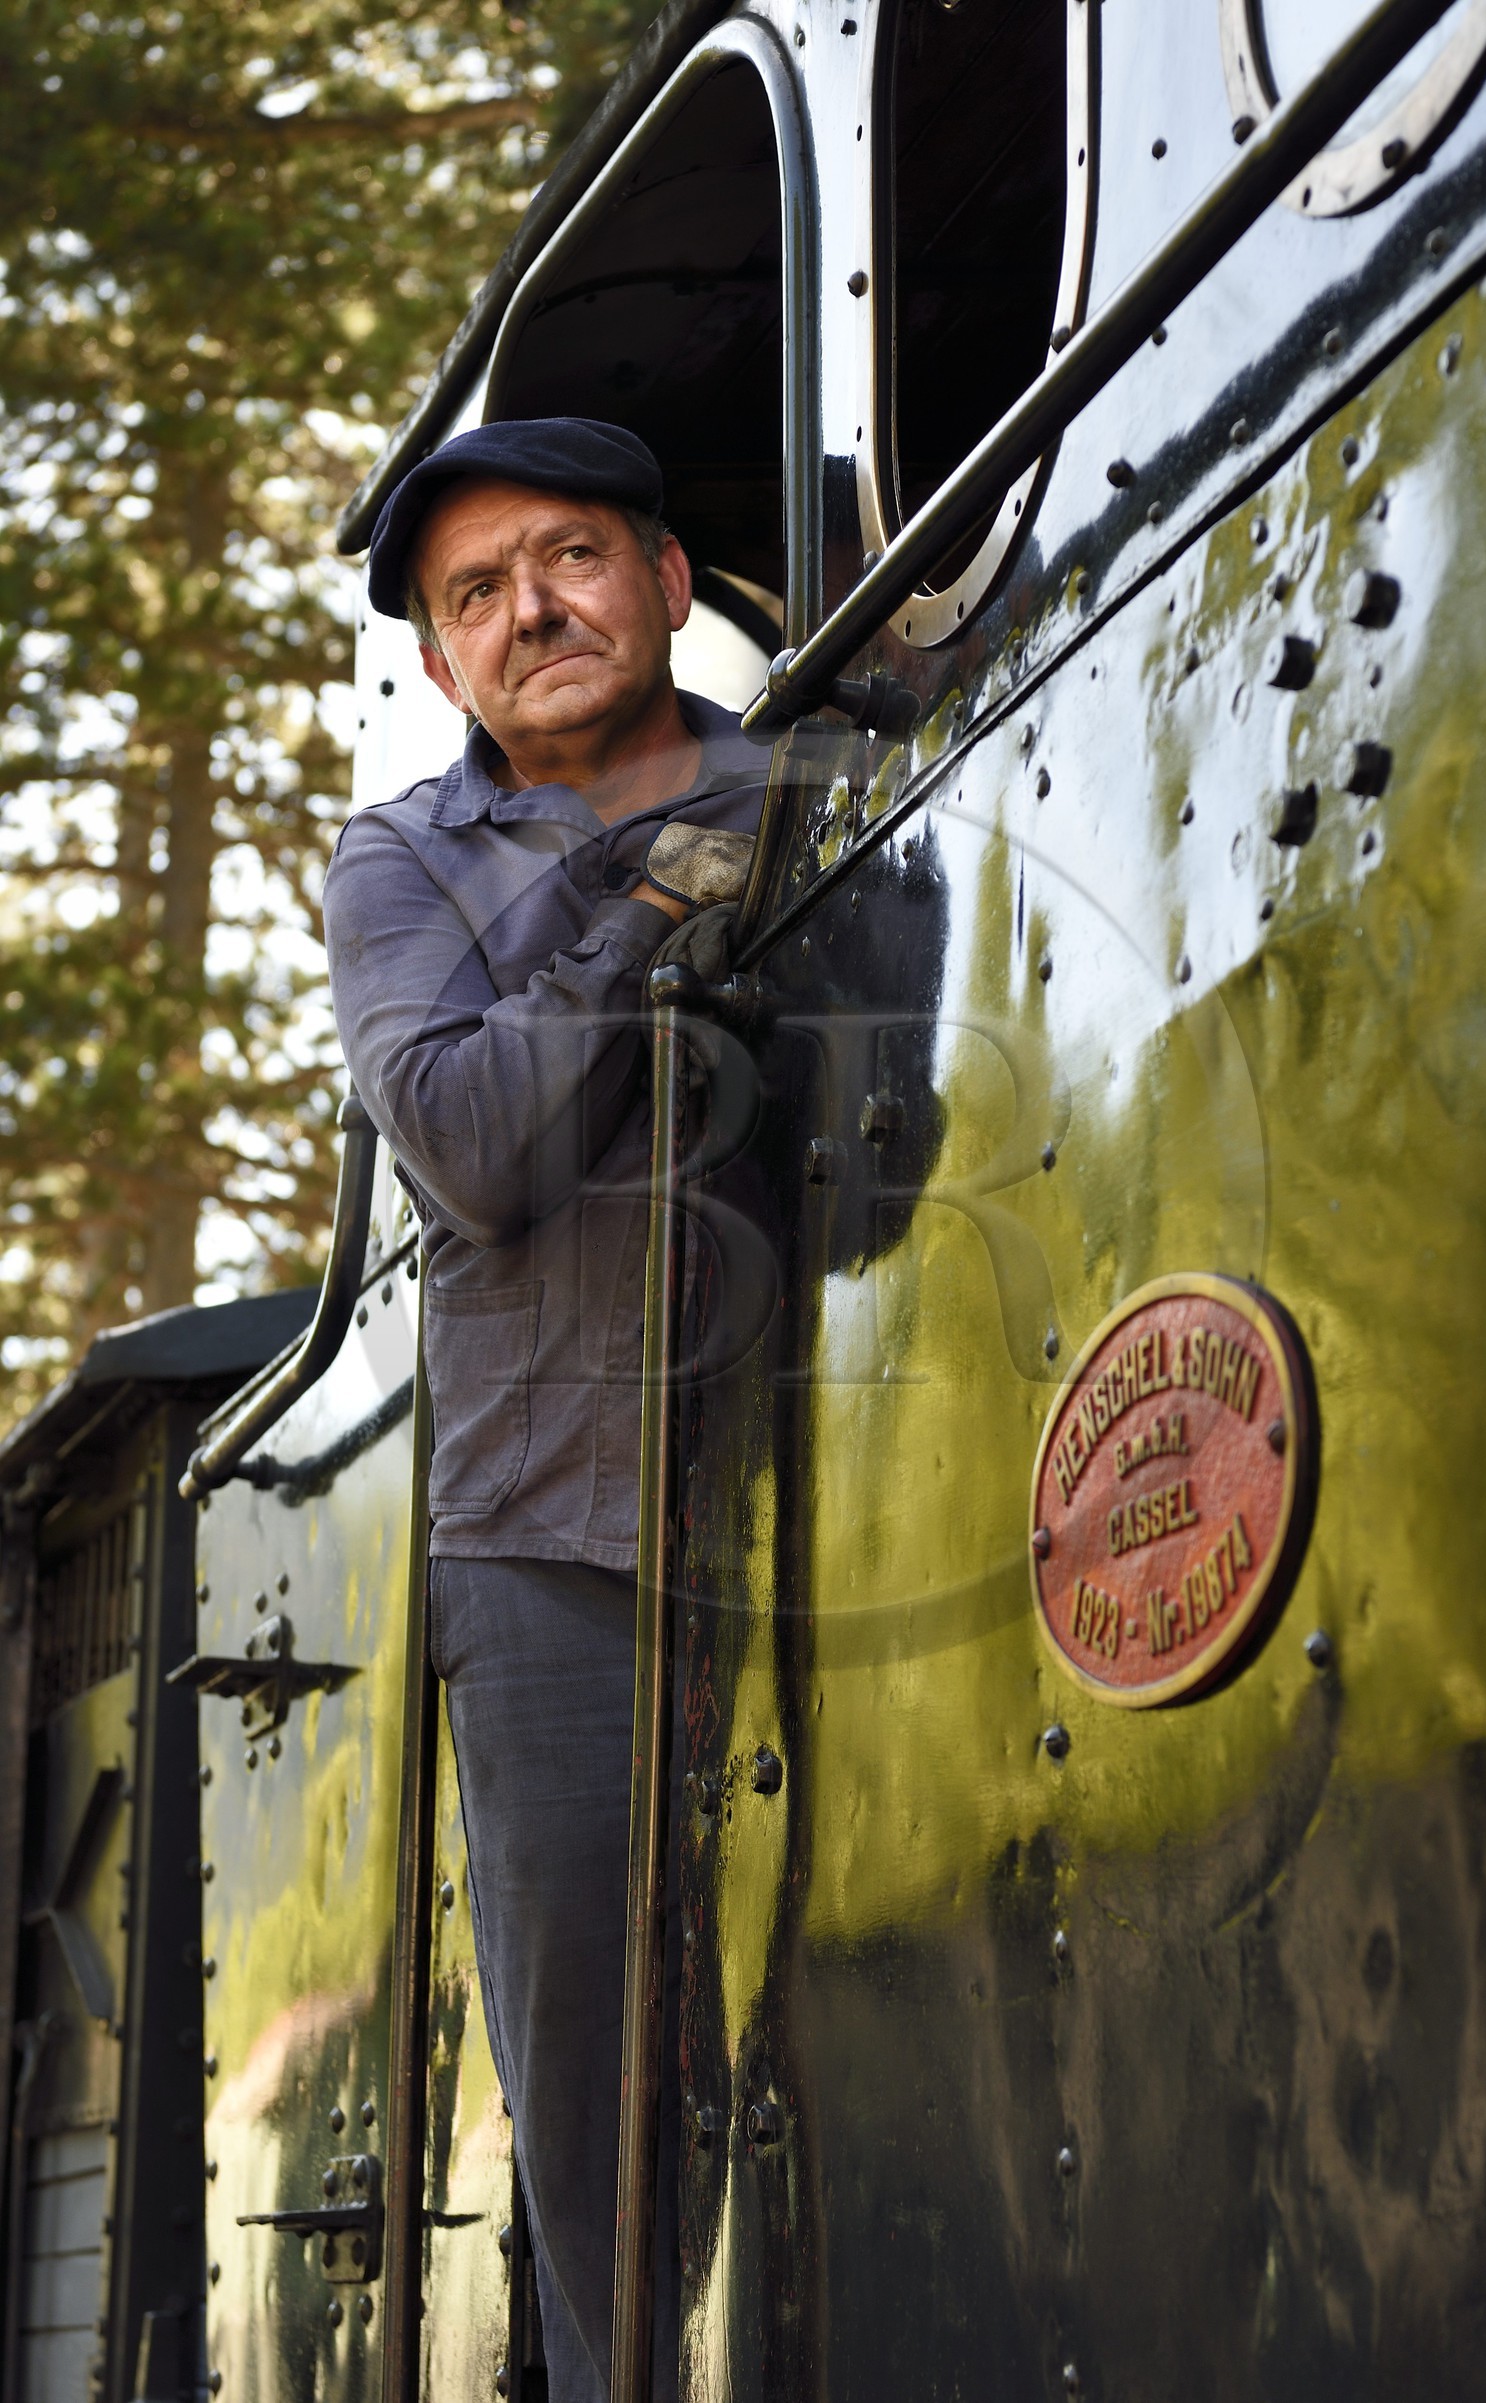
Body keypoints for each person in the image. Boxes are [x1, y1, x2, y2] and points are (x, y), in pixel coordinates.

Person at [321, 418, 769, 2402]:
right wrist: (645, 911)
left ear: (667, 580)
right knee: (602, 2107)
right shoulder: (400, 859)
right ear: (440, 666)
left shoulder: (821, 777)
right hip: (553, 1544)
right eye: (476, 596)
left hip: (836, 1487)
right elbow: (473, 1144)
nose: (531, 614)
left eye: (571, 558)